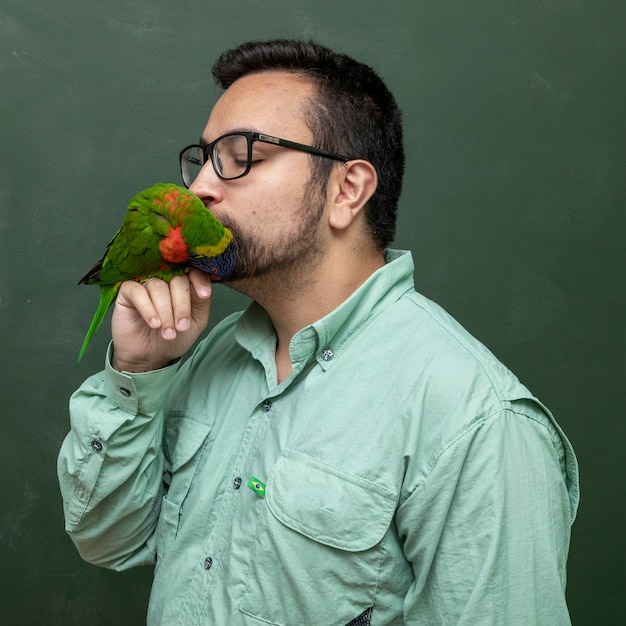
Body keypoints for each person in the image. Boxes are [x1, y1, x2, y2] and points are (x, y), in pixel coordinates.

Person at [57, 39, 579, 625]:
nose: (199, 186)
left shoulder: (475, 421)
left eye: (238, 154)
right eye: (202, 158)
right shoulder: (212, 356)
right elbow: (108, 542)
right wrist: (141, 375)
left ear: (347, 190)